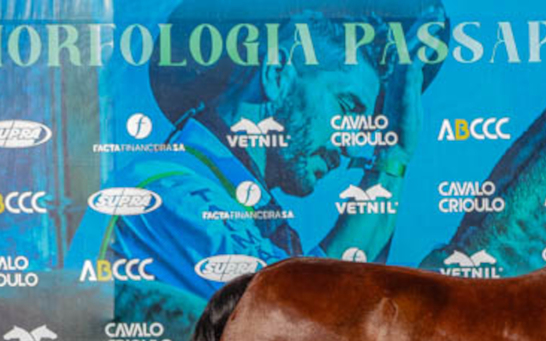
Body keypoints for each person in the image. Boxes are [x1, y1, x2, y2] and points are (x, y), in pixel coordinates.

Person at [68, 1, 444, 297]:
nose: (349, 145)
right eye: (347, 107)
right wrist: (391, 158)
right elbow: (307, 317)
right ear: (277, 73)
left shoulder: (228, 206)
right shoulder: (168, 193)